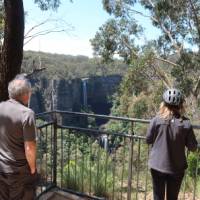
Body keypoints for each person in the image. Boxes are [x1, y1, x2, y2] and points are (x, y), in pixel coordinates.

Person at [146, 88, 197, 200]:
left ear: (163, 104)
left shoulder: (156, 120)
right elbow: (193, 147)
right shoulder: (186, 124)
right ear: (180, 106)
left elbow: (148, 139)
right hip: (176, 168)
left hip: (157, 165)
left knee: (158, 197)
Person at [0, 74, 37, 200]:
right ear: (25, 94)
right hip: (19, 172)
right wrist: (32, 169)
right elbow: (30, 147)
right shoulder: (27, 114)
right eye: (30, 92)